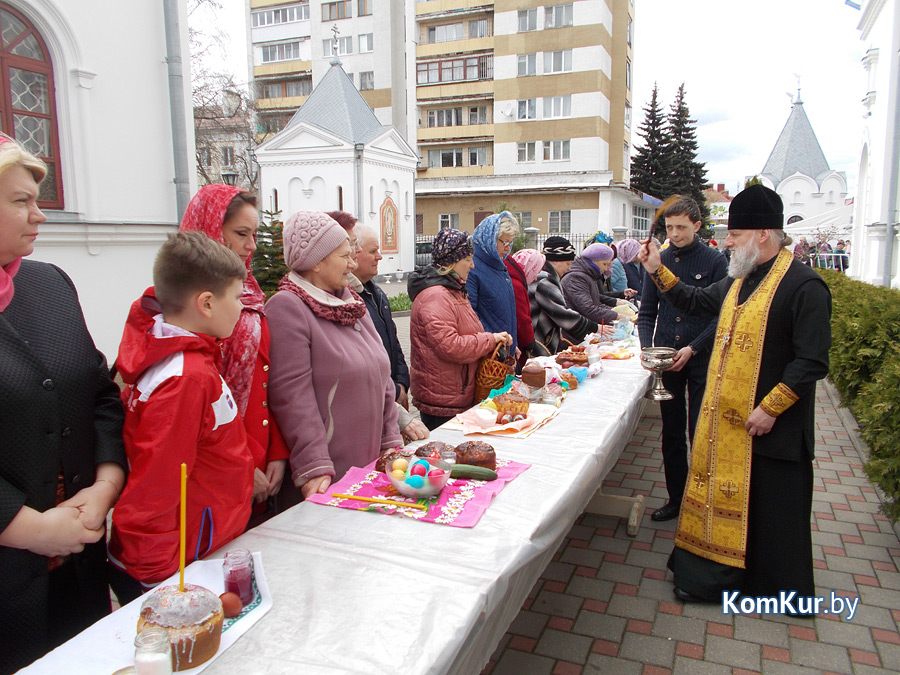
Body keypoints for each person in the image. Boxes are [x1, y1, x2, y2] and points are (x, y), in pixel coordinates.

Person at [636, 184, 831, 605]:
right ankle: (714, 579)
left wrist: (771, 407)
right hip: (729, 424)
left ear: (762, 234)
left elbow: (811, 361)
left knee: (770, 513)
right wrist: (655, 268)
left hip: (772, 426)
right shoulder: (739, 280)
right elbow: (694, 300)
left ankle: (771, 591)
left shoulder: (804, 285)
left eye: (734, 235)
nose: (726, 242)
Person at [0, 136, 127, 672]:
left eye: (38, 199)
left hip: (76, 563)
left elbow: (99, 393)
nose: (39, 215)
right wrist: (28, 528)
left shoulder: (49, 283)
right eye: (21, 201)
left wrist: (105, 484)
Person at [108, 232, 254, 604]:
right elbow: (156, 484)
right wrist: (156, 581)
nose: (241, 308)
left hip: (196, 546)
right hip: (178, 564)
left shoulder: (190, 358)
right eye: (237, 297)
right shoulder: (186, 378)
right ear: (206, 303)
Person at [266, 212, 401, 498]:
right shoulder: (287, 308)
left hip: (371, 466)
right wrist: (313, 465)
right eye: (344, 256)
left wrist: (390, 440)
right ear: (317, 261)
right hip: (327, 475)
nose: (353, 263)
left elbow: (383, 377)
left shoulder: (350, 303)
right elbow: (292, 396)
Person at [179, 185, 289, 526]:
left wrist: (277, 452)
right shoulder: (187, 308)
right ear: (210, 229)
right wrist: (243, 467)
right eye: (241, 233)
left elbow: (269, 382)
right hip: (216, 477)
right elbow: (194, 414)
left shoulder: (250, 292)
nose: (252, 245)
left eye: (255, 234)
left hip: (261, 460)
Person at [637, 195, 727, 522]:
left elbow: (721, 315)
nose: (674, 234)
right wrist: (648, 348)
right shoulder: (657, 260)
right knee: (672, 432)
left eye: (682, 228)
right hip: (666, 359)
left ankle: (700, 500)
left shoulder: (716, 261)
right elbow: (647, 312)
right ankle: (676, 498)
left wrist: (694, 347)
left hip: (699, 357)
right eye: (670, 227)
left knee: (699, 431)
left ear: (697, 226)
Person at [408, 228, 512, 430]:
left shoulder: (454, 291)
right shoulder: (436, 296)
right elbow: (450, 346)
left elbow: (468, 333)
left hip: (457, 394)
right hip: (442, 403)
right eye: (468, 260)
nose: (472, 265)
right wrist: (489, 340)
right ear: (452, 261)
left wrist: (493, 341)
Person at [353, 225, 428, 442]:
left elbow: (394, 345)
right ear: (354, 253)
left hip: (393, 391)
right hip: (374, 400)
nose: (379, 256)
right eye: (373, 251)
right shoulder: (350, 300)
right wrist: (393, 391)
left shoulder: (377, 293)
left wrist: (402, 383)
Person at [531, 236, 599, 353]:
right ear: (555, 260)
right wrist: (594, 327)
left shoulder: (546, 276)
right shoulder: (544, 280)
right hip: (537, 342)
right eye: (567, 263)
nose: (569, 268)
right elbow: (561, 313)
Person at [467, 212, 520, 352]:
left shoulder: (499, 265)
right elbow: (471, 315)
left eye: (510, 242)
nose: (508, 248)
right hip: (490, 353)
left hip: (503, 349)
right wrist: (494, 341)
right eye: (504, 242)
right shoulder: (472, 268)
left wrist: (513, 345)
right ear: (489, 238)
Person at [559, 243, 621, 343]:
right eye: (604, 264)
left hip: (582, 333)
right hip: (573, 335)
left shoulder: (588, 276)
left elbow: (597, 303)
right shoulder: (576, 277)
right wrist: (616, 315)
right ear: (594, 261)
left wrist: (617, 312)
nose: (606, 269)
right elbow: (588, 309)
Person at [506, 248, 545, 367]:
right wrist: (529, 342)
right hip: (518, 346)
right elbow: (521, 318)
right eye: (535, 272)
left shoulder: (512, 280)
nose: (535, 278)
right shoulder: (516, 286)